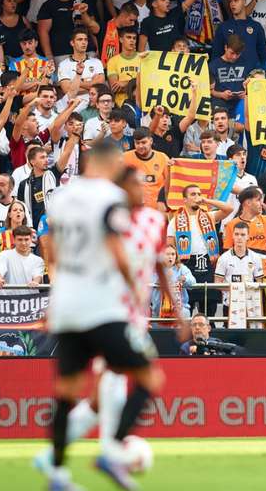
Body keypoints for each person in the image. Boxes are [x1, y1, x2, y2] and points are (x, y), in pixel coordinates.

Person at [42, 140, 167, 490]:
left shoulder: (62, 197)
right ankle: (112, 452)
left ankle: (57, 474)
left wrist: (60, 283)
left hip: (66, 304)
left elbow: (50, 245)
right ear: (110, 162)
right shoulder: (110, 198)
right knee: (149, 378)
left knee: (66, 392)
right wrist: (133, 287)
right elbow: (115, 247)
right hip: (102, 306)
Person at [166, 184, 232, 317]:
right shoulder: (175, 220)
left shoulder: (209, 216)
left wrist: (207, 201)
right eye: (193, 194)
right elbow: (170, 247)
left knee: (209, 307)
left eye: (198, 194)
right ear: (184, 199)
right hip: (186, 265)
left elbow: (229, 208)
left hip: (207, 264)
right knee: (187, 306)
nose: (197, 197)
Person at [214, 221, 264, 325]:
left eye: (242, 234)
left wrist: (246, 287)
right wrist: (236, 288)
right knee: (231, 337)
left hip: (250, 304)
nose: (239, 237)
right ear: (232, 236)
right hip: (230, 304)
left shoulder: (255, 257)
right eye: (236, 234)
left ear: (248, 237)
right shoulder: (224, 258)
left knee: (251, 335)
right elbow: (217, 283)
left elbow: (260, 282)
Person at [0, 225, 44, 295]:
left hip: (30, 301)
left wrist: (35, 282)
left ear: (31, 239)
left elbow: (38, 276)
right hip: (8, 301)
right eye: (20, 239)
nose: (23, 243)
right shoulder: (4, 255)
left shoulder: (38, 260)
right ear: (14, 240)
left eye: (26, 239)